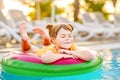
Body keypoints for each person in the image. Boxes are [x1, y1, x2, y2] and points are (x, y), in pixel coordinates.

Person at [19, 21, 98, 64]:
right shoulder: (51, 50)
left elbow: (90, 56)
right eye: (63, 36)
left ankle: (46, 37)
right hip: (42, 51)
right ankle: (25, 38)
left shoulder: (72, 47)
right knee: (27, 49)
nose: (68, 39)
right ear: (54, 40)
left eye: (70, 36)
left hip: (51, 44)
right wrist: (63, 55)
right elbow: (45, 59)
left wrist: (70, 53)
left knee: (47, 45)